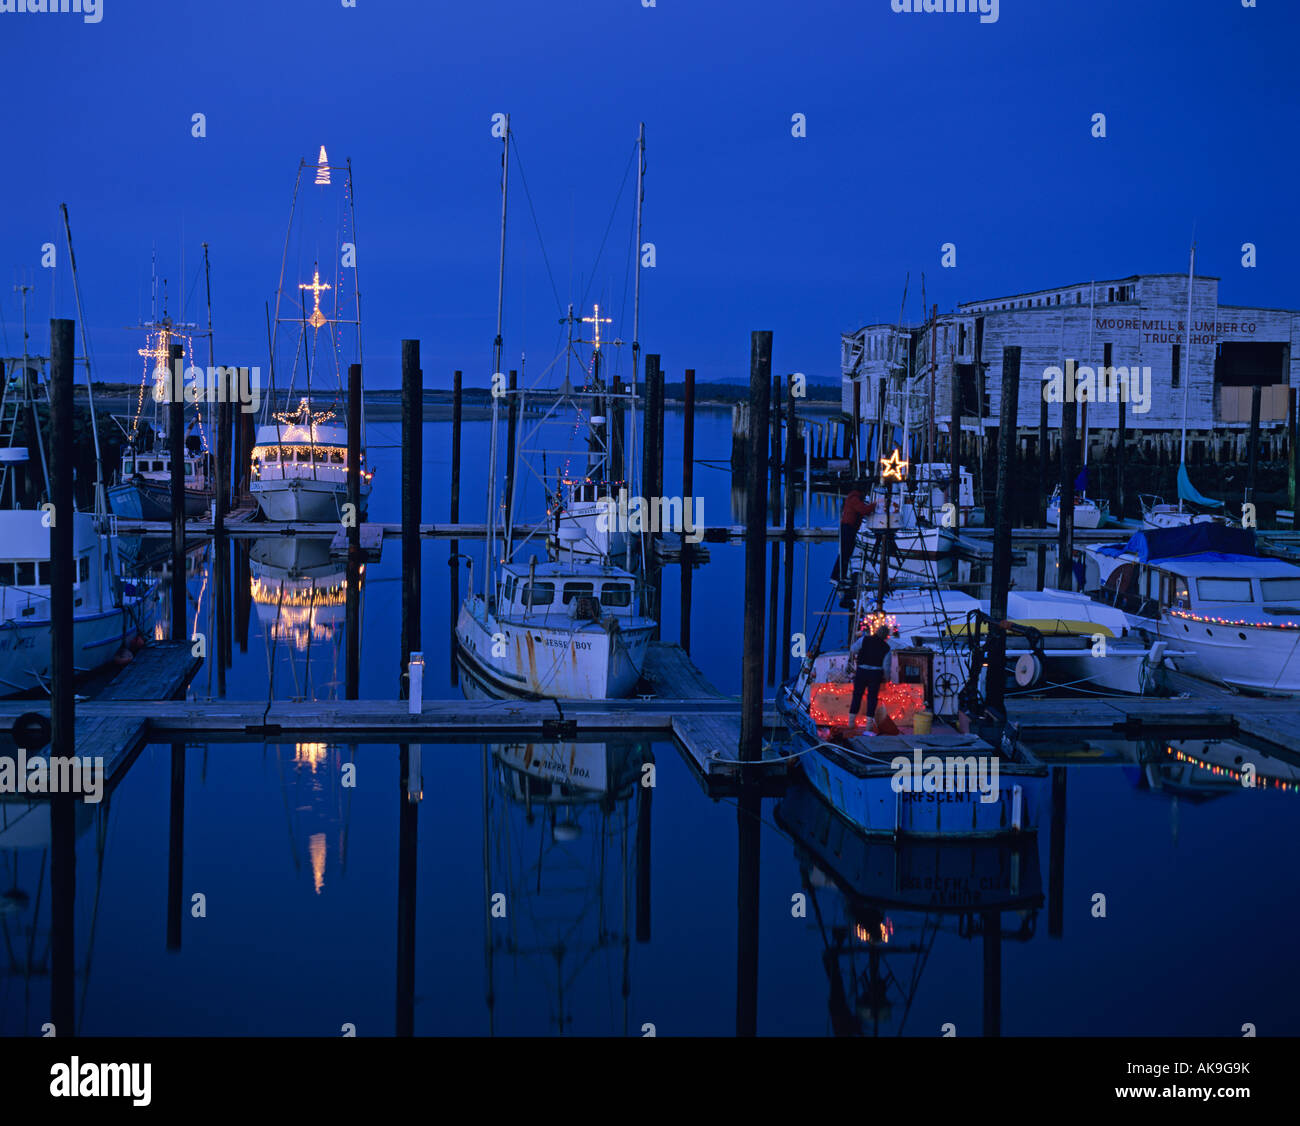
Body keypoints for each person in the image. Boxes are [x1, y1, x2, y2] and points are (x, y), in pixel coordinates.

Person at [848, 624, 892, 727]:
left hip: (861, 671)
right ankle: (869, 724)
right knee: (872, 698)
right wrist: (887, 678)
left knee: (857, 696)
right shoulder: (887, 648)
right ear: (886, 636)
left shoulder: (864, 639)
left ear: (876, 632)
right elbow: (886, 667)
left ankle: (851, 722)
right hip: (875, 674)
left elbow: (853, 649)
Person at [833, 482, 877, 582]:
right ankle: (837, 576)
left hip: (849, 528)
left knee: (846, 553)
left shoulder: (852, 497)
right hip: (848, 528)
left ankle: (840, 576)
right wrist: (875, 504)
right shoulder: (854, 499)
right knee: (845, 552)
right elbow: (864, 510)